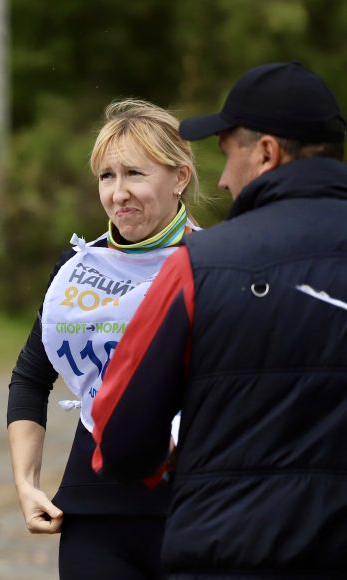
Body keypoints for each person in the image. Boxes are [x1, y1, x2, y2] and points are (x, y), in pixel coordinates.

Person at [92, 62, 347, 577]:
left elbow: (121, 438)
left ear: (267, 153)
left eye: (229, 155)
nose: (225, 179)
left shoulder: (198, 266)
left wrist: (165, 462)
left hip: (228, 551)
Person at [7, 99, 200, 578]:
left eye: (135, 173)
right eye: (106, 176)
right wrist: (26, 483)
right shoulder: (77, 269)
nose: (118, 193)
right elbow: (31, 377)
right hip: (94, 509)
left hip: (195, 508)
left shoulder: (218, 262)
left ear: (179, 177)